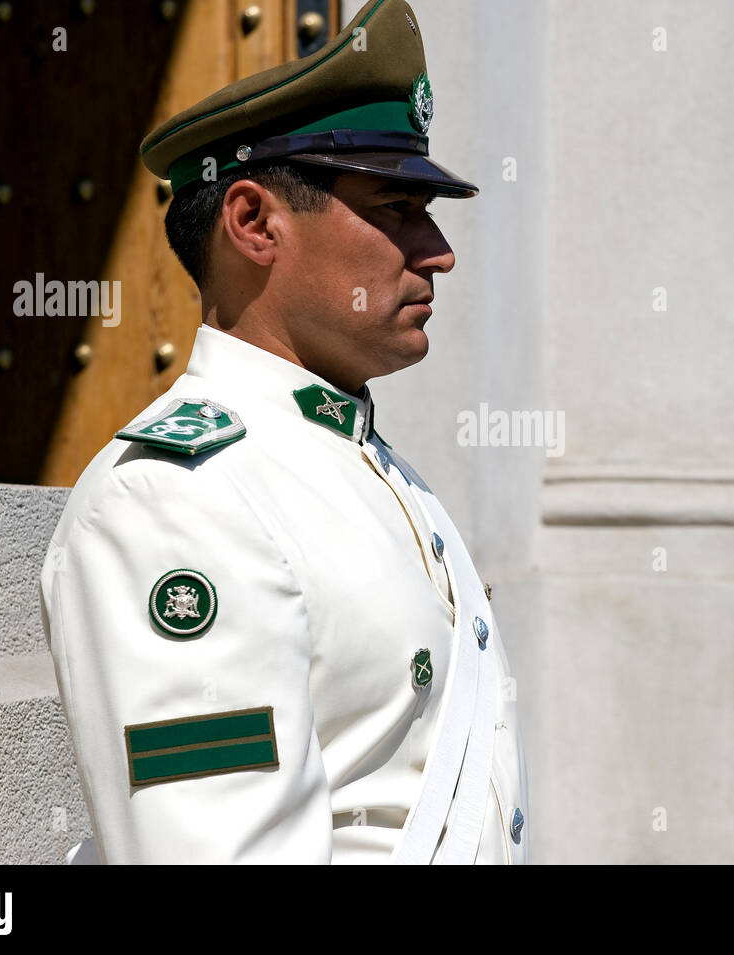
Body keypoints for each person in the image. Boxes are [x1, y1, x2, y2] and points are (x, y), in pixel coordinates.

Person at [39, 0, 528, 864]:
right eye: (398, 207)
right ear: (255, 223)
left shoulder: (372, 469)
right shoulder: (174, 497)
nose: (439, 250)